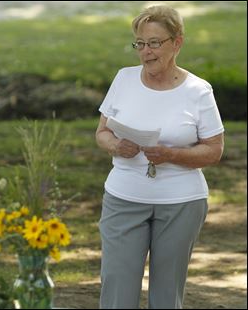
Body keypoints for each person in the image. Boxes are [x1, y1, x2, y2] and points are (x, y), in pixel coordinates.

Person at [95, 4, 224, 309]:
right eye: (140, 44)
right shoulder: (123, 79)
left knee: (167, 294)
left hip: (181, 204)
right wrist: (115, 146)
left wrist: (171, 154)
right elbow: (101, 132)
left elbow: (214, 149)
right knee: (117, 288)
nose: (145, 52)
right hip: (123, 197)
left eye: (154, 43)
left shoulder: (198, 91)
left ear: (177, 42)